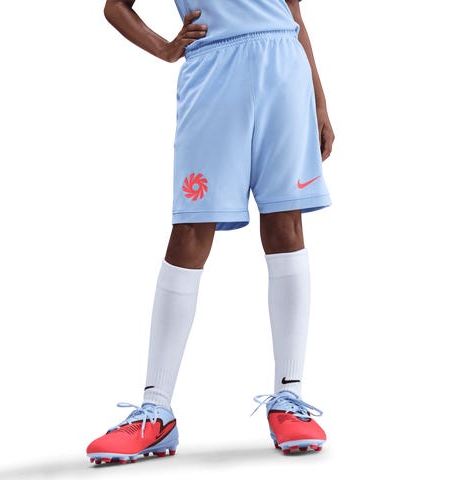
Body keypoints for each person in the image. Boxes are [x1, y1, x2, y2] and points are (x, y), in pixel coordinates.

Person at [87, 0, 335, 465]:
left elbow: (293, 12)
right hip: (213, 71)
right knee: (190, 230)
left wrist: (319, 101)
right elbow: (115, 7)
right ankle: (155, 409)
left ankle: (289, 397)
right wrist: (165, 49)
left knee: (286, 223)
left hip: (285, 69)